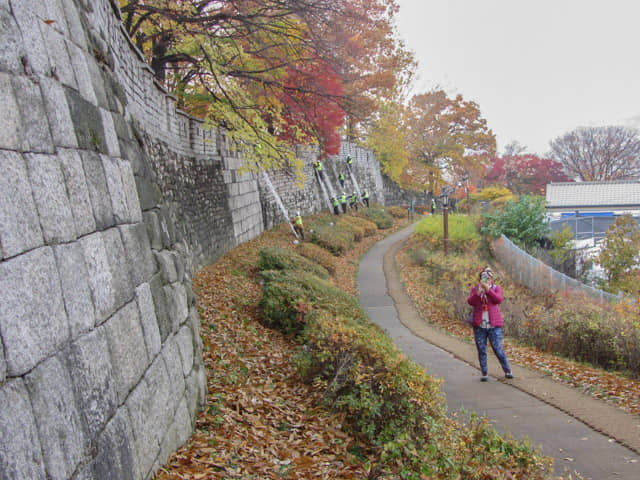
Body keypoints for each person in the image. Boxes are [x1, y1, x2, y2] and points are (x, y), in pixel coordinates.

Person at [467, 266, 513, 382]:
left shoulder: (496, 288)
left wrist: (488, 289)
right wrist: (478, 293)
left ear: (491, 277)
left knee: (498, 349)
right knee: (481, 349)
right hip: (479, 324)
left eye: (489, 275)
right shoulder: (476, 289)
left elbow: (498, 299)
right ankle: (484, 372)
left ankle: (507, 370)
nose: (486, 277)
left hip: (494, 325)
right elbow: (471, 302)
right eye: (484, 275)